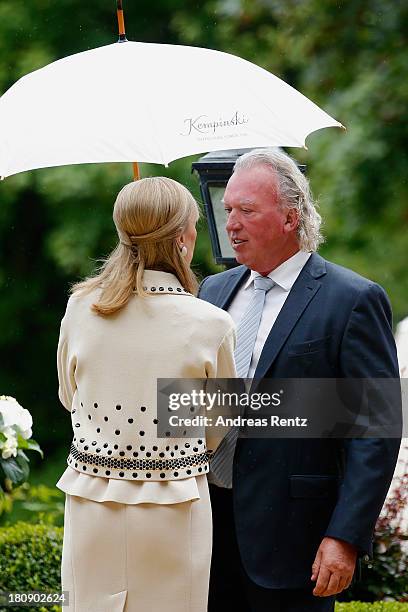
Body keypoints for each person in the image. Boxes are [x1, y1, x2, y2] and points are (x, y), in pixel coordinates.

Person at [198, 148, 401, 612]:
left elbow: (376, 429)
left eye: (246, 210)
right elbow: (194, 406)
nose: (230, 224)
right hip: (202, 532)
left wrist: (345, 537)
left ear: (290, 217)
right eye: (227, 209)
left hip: (295, 542)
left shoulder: (352, 299)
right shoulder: (211, 292)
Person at [56, 177, 236, 612]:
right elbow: (218, 427)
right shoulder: (211, 323)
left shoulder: (80, 308)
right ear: (182, 238)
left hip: (91, 504)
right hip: (176, 506)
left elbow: (68, 395)